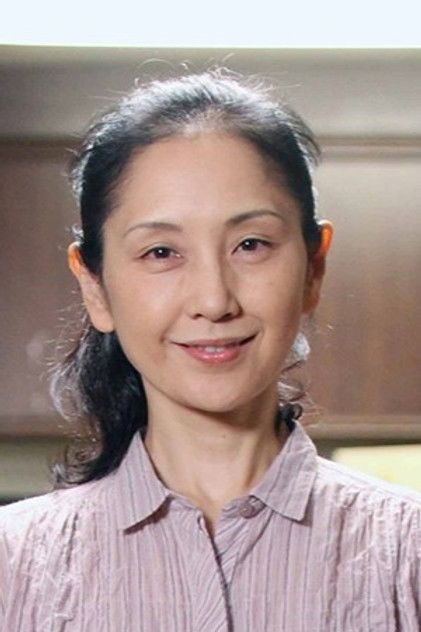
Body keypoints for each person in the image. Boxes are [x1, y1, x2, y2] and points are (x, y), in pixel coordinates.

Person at [0, 69, 419, 631]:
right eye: (161, 252)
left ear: (313, 268)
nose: (214, 300)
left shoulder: (407, 555)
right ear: (94, 286)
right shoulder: (14, 567)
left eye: (251, 244)